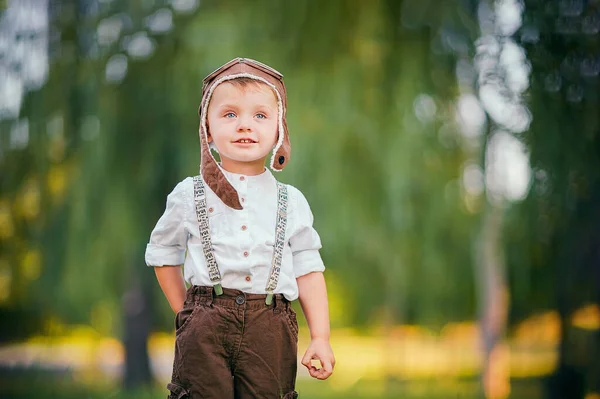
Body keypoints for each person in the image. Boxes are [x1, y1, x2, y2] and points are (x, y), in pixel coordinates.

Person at [145, 57, 335, 399]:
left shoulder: (290, 201)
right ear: (207, 129)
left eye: (260, 115)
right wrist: (186, 314)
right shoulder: (190, 193)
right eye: (229, 114)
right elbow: (163, 253)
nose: (245, 125)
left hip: (271, 326)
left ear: (280, 128)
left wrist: (320, 336)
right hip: (204, 323)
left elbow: (308, 268)